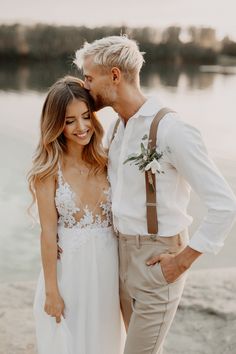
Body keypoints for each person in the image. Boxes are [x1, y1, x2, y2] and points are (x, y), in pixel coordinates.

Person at [73, 36, 236, 354]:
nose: (84, 84)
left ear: (115, 75)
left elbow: (224, 204)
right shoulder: (119, 128)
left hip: (157, 260)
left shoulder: (173, 130)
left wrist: (182, 262)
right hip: (121, 258)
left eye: (89, 77)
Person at [28, 76, 124, 354]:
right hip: (68, 274)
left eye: (85, 117)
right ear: (55, 124)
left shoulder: (108, 162)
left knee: (104, 343)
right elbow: (47, 234)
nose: (81, 128)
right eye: (70, 121)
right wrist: (51, 291)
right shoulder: (47, 171)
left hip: (108, 271)